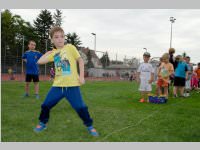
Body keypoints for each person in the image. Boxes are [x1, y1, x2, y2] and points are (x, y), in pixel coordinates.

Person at [34, 26, 99, 137]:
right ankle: (43, 123)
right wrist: (48, 53)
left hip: (72, 86)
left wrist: (81, 76)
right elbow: (39, 61)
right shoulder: (54, 54)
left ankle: (90, 126)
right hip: (58, 86)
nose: (60, 39)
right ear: (52, 40)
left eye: (62, 36)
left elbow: (80, 61)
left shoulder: (70, 47)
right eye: (56, 37)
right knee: (45, 105)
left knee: (81, 107)